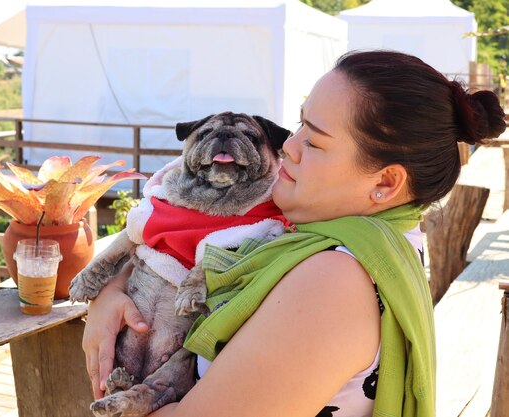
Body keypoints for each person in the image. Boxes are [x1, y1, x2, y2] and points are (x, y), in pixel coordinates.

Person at [81, 50, 507, 417]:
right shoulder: (355, 241)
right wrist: (112, 292)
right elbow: (176, 247)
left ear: (385, 184)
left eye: (315, 141)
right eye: (300, 124)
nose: (288, 146)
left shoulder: (333, 281)